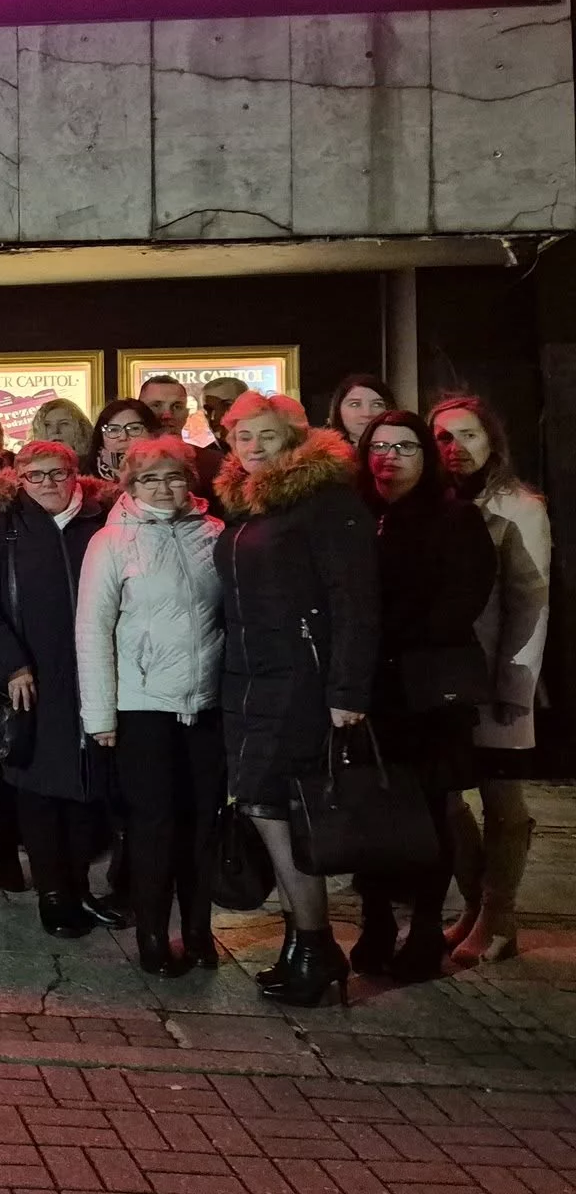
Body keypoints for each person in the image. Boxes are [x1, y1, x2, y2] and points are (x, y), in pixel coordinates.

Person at [213, 391, 377, 1006]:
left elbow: (356, 598)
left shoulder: (325, 500)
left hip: (300, 681)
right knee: (263, 806)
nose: (254, 447)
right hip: (247, 676)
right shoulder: (247, 502)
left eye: (267, 435)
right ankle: (302, 943)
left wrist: (347, 689)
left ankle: (315, 944)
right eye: (243, 436)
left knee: (277, 808)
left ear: (294, 438)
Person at [351, 411, 498, 982]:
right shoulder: (355, 516)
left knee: (431, 811)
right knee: (369, 810)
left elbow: (462, 601)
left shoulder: (455, 518)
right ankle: (375, 919)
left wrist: (385, 634)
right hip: (368, 690)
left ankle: (427, 927)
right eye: (380, 445)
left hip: (428, 690)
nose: (390, 456)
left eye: (405, 446)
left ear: (426, 456)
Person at [0, 440, 123, 939]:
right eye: (36, 475)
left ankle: (80, 887)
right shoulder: (1, 530)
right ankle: (54, 893)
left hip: (96, 678)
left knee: (88, 786)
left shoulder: (101, 524)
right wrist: (11, 665)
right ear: (20, 479)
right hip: (33, 681)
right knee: (38, 789)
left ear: (75, 474)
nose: (48, 483)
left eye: (58, 473)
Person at [75, 438, 225, 975]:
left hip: (207, 703)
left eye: (174, 476)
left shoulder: (215, 533)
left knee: (203, 824)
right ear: (131, 485)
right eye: (150, 479)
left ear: (191, 481)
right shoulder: (111, 542)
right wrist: (100, 716)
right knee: (154, 825)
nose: (164, 488)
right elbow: (92, 630)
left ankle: (200, 931)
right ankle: (154, 935)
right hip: (142, 707)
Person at [428, 396, 552, 964]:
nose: (455, 448)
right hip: (447, 678)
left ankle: (498, 917)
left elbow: (530, 604)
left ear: (492, 441)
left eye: (468, 435)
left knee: (502, 797)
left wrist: (514, 686)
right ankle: (477, 906)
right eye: (443, 437)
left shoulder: (519, 506)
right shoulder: (436, 502)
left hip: (500, 674)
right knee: (447, 795)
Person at [89, 399, 153, 482]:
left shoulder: (167, 471)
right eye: (113, 430)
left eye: (134, 428)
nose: (123, 437)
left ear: (152, 432)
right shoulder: (81, 477)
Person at [326, 374, 395, 450]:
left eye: (377, 404)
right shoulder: (322, 455)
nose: (367, 413)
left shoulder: (402, 453)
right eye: (355, 404)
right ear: (338, 410)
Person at [29, 400, 94, 469]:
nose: (55, 431)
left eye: (64, 424)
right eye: (47, 425)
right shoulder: (30, 467)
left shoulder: (95, 466)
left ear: (80, 428)